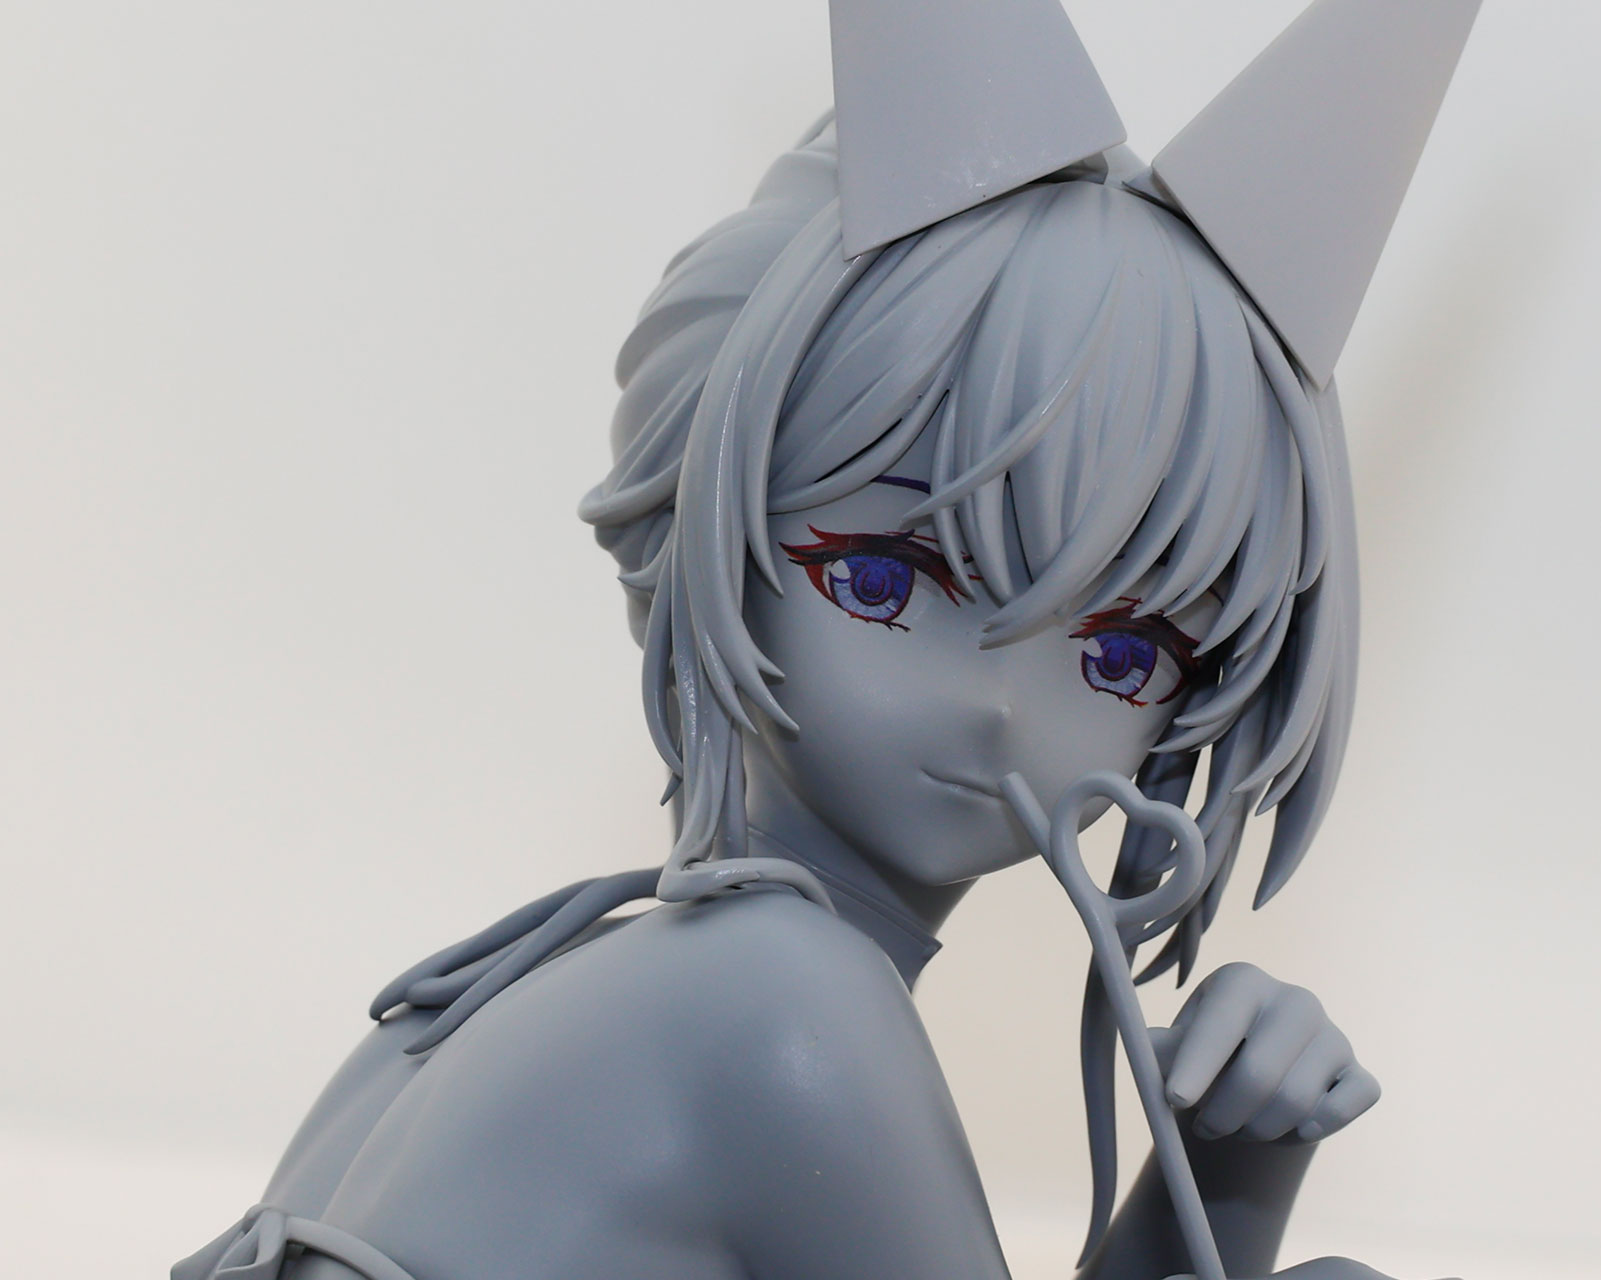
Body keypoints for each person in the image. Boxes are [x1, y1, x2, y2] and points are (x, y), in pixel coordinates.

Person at [177, 4, 1478, 1276]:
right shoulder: (785, 1005)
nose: (996, 705)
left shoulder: (505, 981)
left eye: (1123, 654)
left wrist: (1228, 1158)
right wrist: (1241, 1196)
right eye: (880, 577)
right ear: (710, 518)